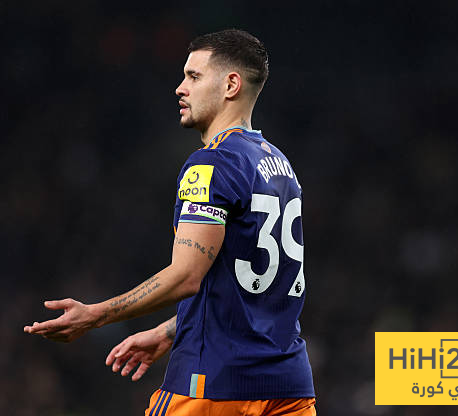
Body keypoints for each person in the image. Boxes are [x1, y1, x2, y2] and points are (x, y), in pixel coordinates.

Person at [24, 29, 316, 415]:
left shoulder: (212, 163)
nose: (180, 88)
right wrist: (169, 331)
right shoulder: (278, 164)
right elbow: (248, 290)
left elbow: (186, 276)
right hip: (289, 387)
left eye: (194, 76)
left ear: (231, 85)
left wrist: (96, 316)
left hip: (215, 384)